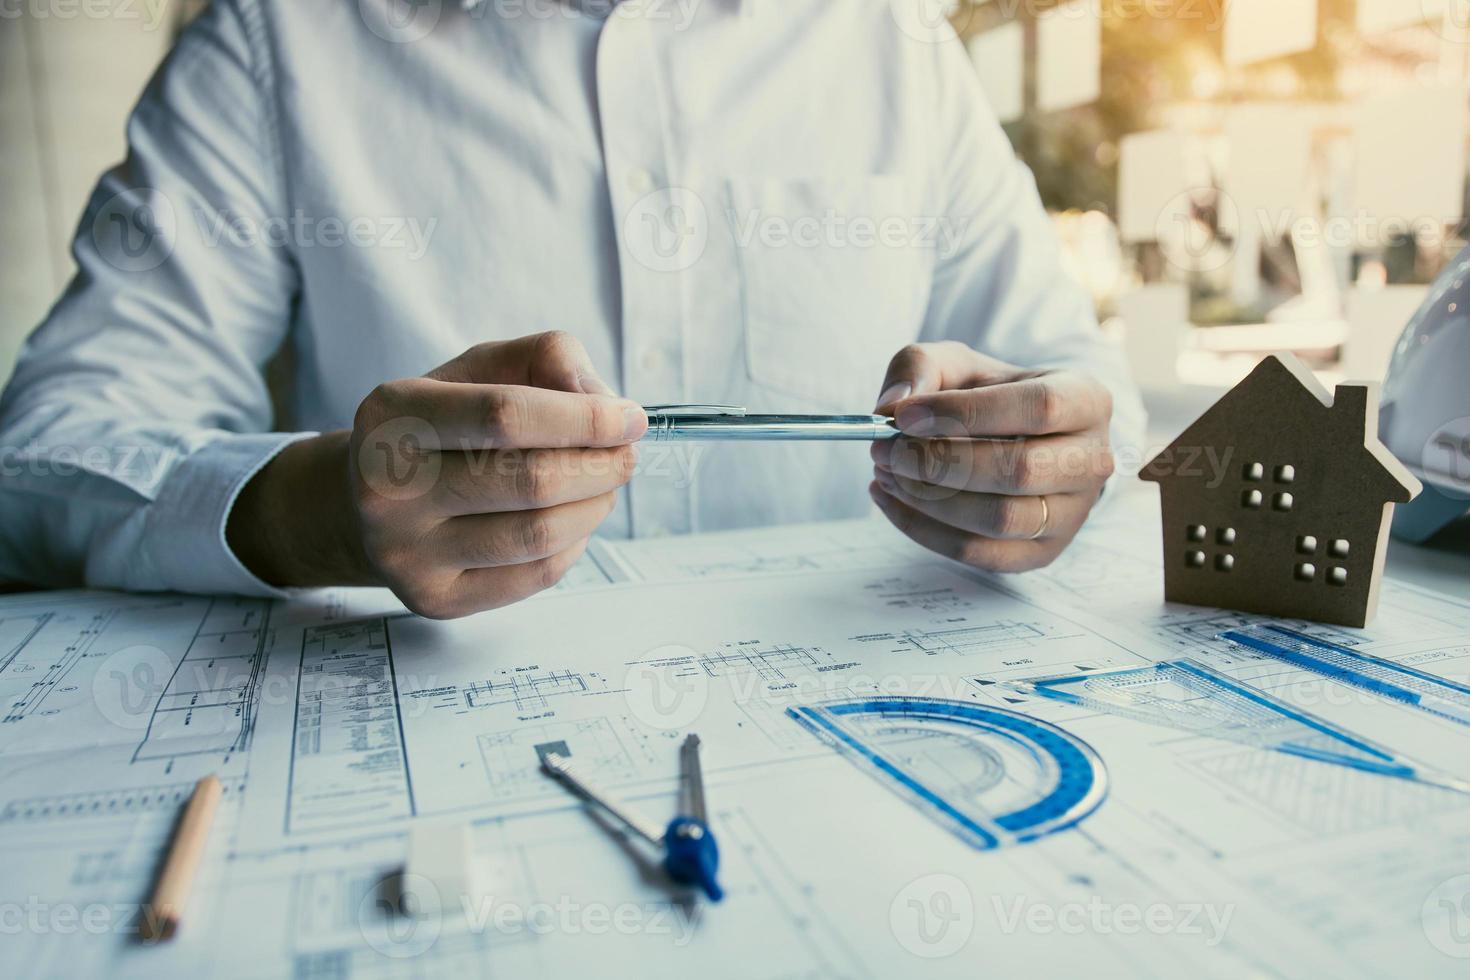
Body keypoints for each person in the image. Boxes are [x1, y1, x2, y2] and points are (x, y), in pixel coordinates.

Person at [0, 0, 1142, 619]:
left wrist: (1051, 452)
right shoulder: (276, 40)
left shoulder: (899, 48)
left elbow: (1084, 394)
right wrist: (315, 512)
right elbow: (39, 465)